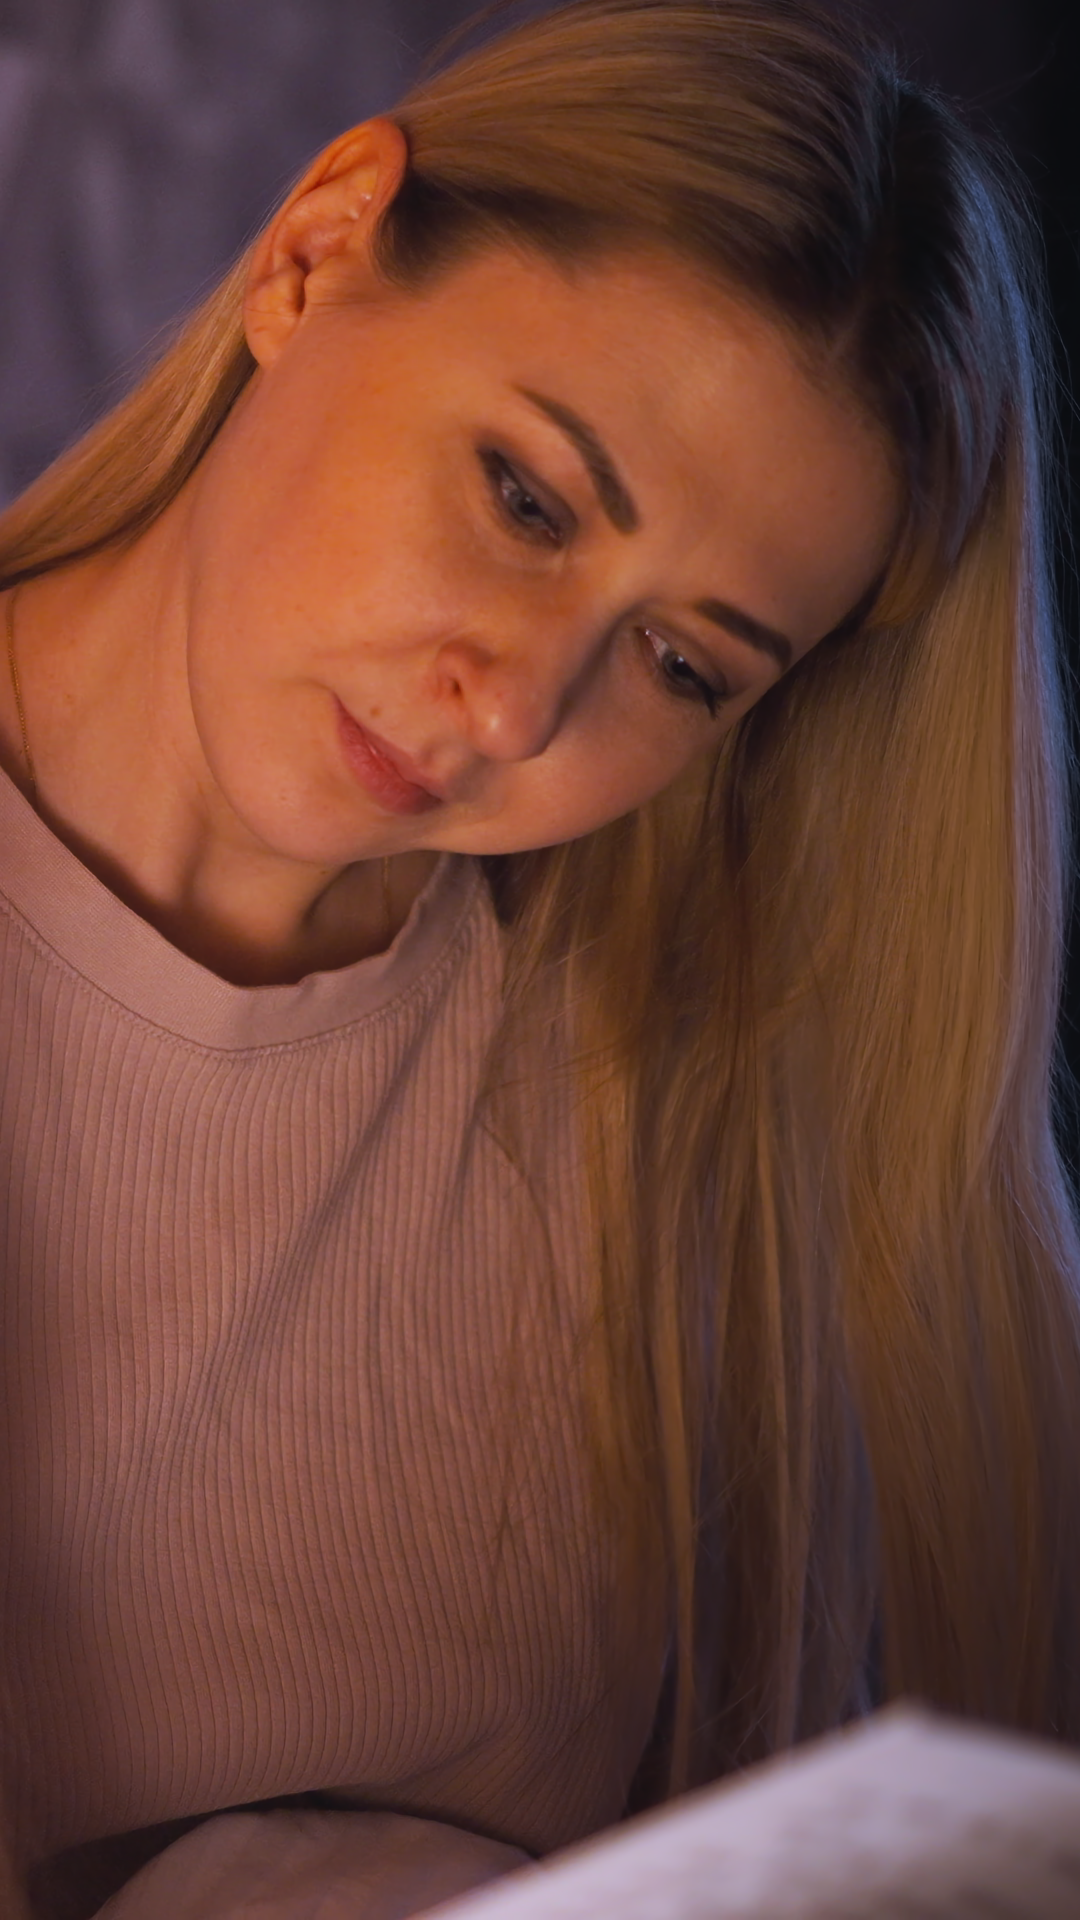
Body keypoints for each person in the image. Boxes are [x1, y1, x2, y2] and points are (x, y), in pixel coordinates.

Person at [2, 0, 1079, 1914]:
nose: (512, 711)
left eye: (680, 664)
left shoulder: (688, 1079)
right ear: (316, 250)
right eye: (525, 499)